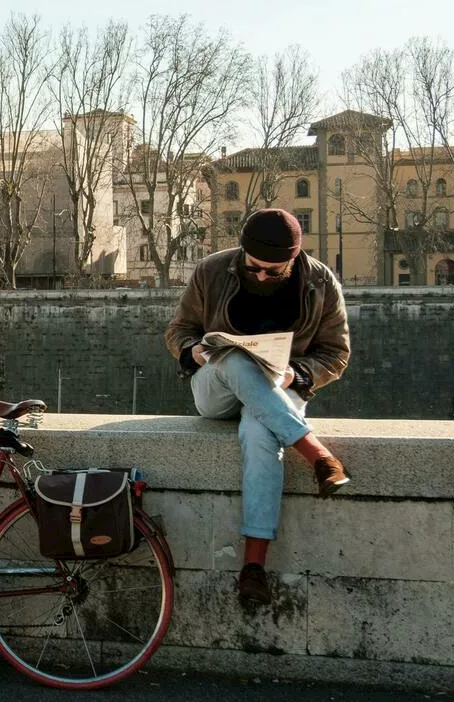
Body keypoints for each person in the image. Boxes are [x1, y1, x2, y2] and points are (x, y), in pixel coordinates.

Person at [165, 208, 351, 605]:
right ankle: (314, 452)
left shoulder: (320, 281)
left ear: (294, 259)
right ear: (242, 255)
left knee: (258, 429)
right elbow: (179, 329)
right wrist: (194, 351)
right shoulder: (212, 270)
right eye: (254, 269)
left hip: (279, 388)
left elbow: (335, 353)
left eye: (274, 270)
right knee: (233, 357)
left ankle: (253, 567)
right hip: (216, 387)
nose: (263, 276)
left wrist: (295, 375)